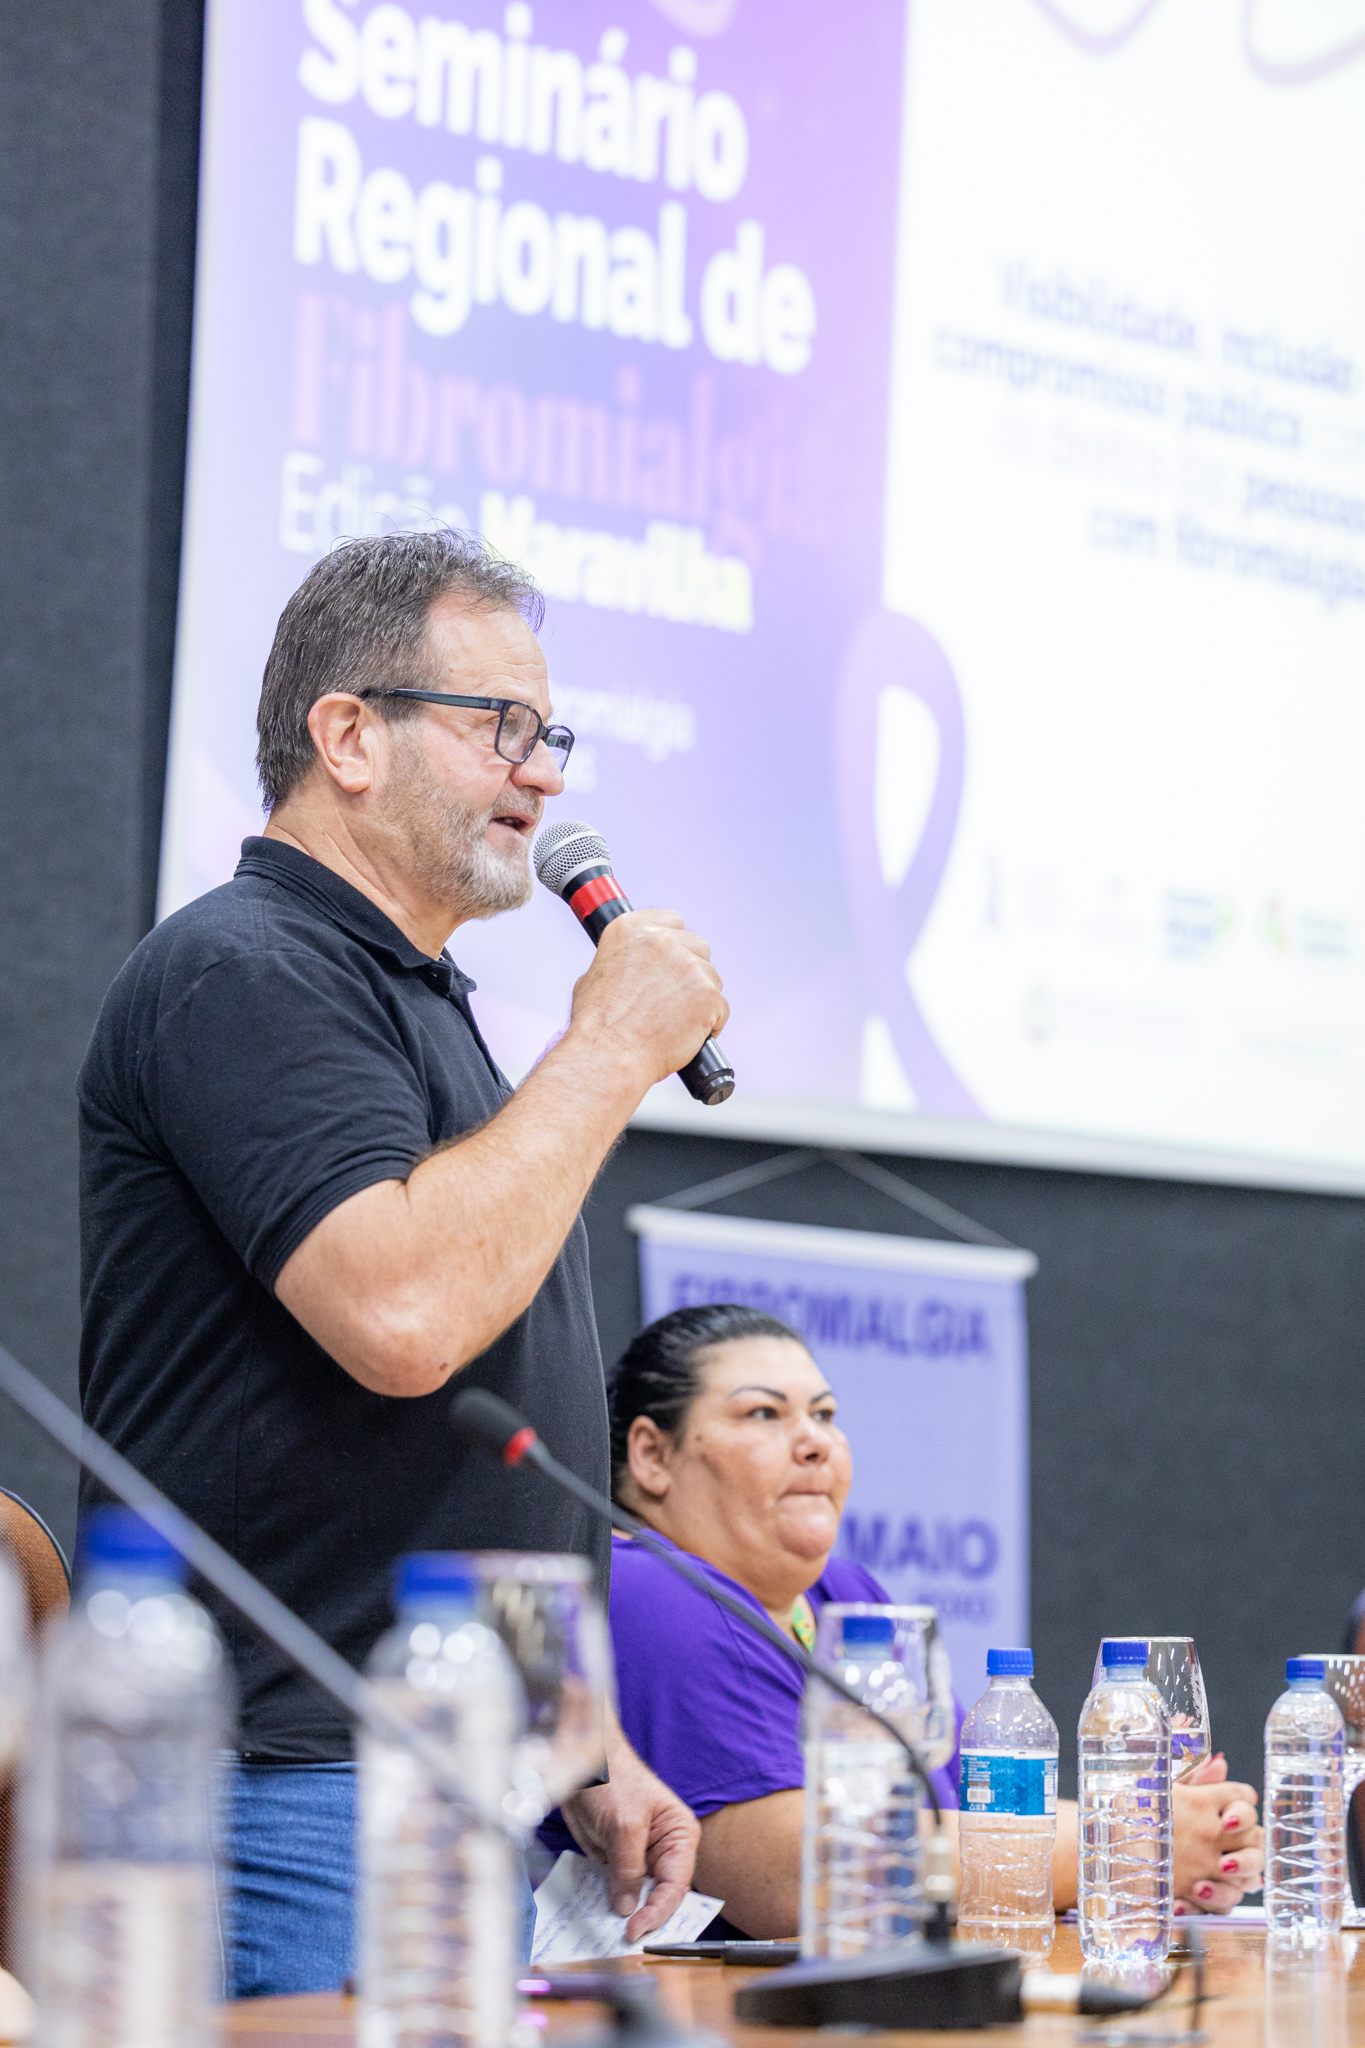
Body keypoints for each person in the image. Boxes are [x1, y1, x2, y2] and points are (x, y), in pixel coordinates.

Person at [77, 532, 725, 1994]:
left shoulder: (410, 996)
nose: (542, 775)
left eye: (550, 734)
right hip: (290, 1792)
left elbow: (468, 1441)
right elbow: (407, 1315)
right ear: (349, 736)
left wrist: (574, 1739)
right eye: (501, 725)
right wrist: (611, 1043)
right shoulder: (245, 968)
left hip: (437, 1782)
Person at [595, 1303, 1265, 1939]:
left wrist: (1172, 1832)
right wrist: (1133, 1839)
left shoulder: (846, 1594)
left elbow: (968, 1809)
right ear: (652, 1455)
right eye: (764, 1413)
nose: (815, 1442)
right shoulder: (643, 1587)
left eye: (825, 1415)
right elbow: (806, 1877)